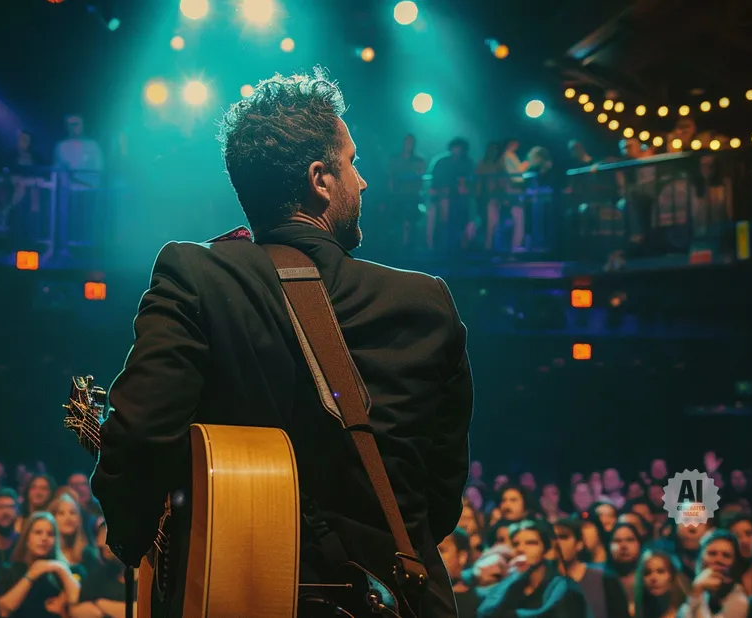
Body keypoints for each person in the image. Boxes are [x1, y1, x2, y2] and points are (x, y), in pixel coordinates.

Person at [91, 67, 473, 617]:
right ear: (321, 179)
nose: (362, 181)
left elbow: (137, 433)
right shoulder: (426, 303)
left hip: (243, 600)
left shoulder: (195, 276)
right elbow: (440, 491)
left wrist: (140, 542)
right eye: (353, 163)